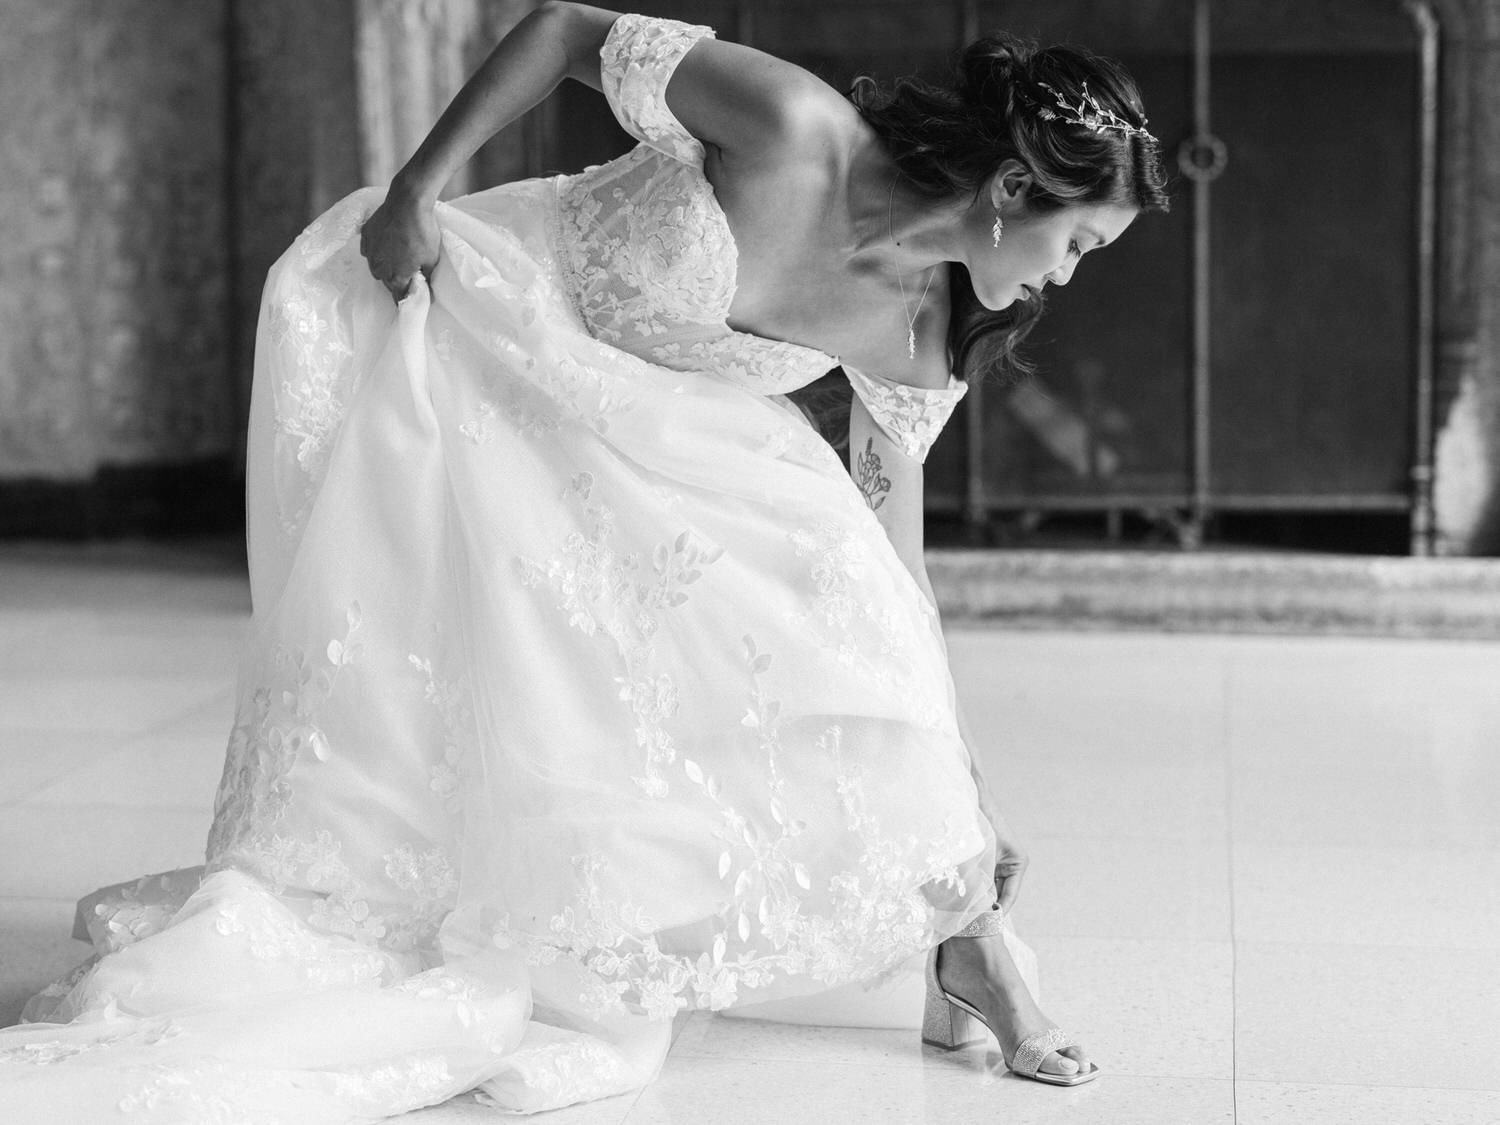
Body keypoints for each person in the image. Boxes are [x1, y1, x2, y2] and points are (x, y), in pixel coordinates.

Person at [0, 5, 1166, 1119]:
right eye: (1078, 244)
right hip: (491, 328)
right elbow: (561, 32)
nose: (1067, 278)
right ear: (1014, 191)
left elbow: (897, 575)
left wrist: (961, 778)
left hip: (651, 438)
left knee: (848, 592)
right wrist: (417, 190)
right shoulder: (794, 126)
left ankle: (968, 938)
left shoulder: (926, 337)